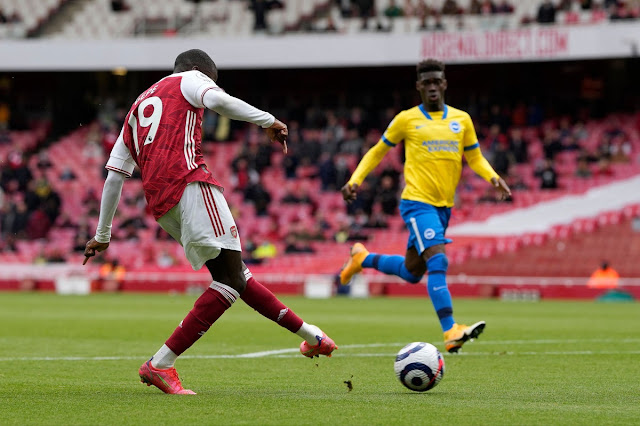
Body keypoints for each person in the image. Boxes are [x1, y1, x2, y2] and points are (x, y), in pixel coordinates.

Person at [83, 49, 337, 395]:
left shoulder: (137, 107)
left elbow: (114, 176)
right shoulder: (190, 79)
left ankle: (313, 336)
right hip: (190, 184)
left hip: (161, 205)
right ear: (199, 71)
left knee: (236, 276)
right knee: (231, 280)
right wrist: (268, 120)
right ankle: (160, 364)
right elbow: (219, 101)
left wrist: (103, 234)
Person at [339, 59, 511, 353]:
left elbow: (474, 157)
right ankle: (451, 330)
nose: (432, 87)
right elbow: (377, 152)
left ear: (444, 84)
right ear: (419, 86)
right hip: (417, 203)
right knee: (438, 261)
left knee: (411, 272)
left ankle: (362, 258)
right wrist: (355, 180)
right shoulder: (407, 119)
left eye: (436, 81)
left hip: (444, 208)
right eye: (427, 82)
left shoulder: (461, 120)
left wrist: (493, 177)